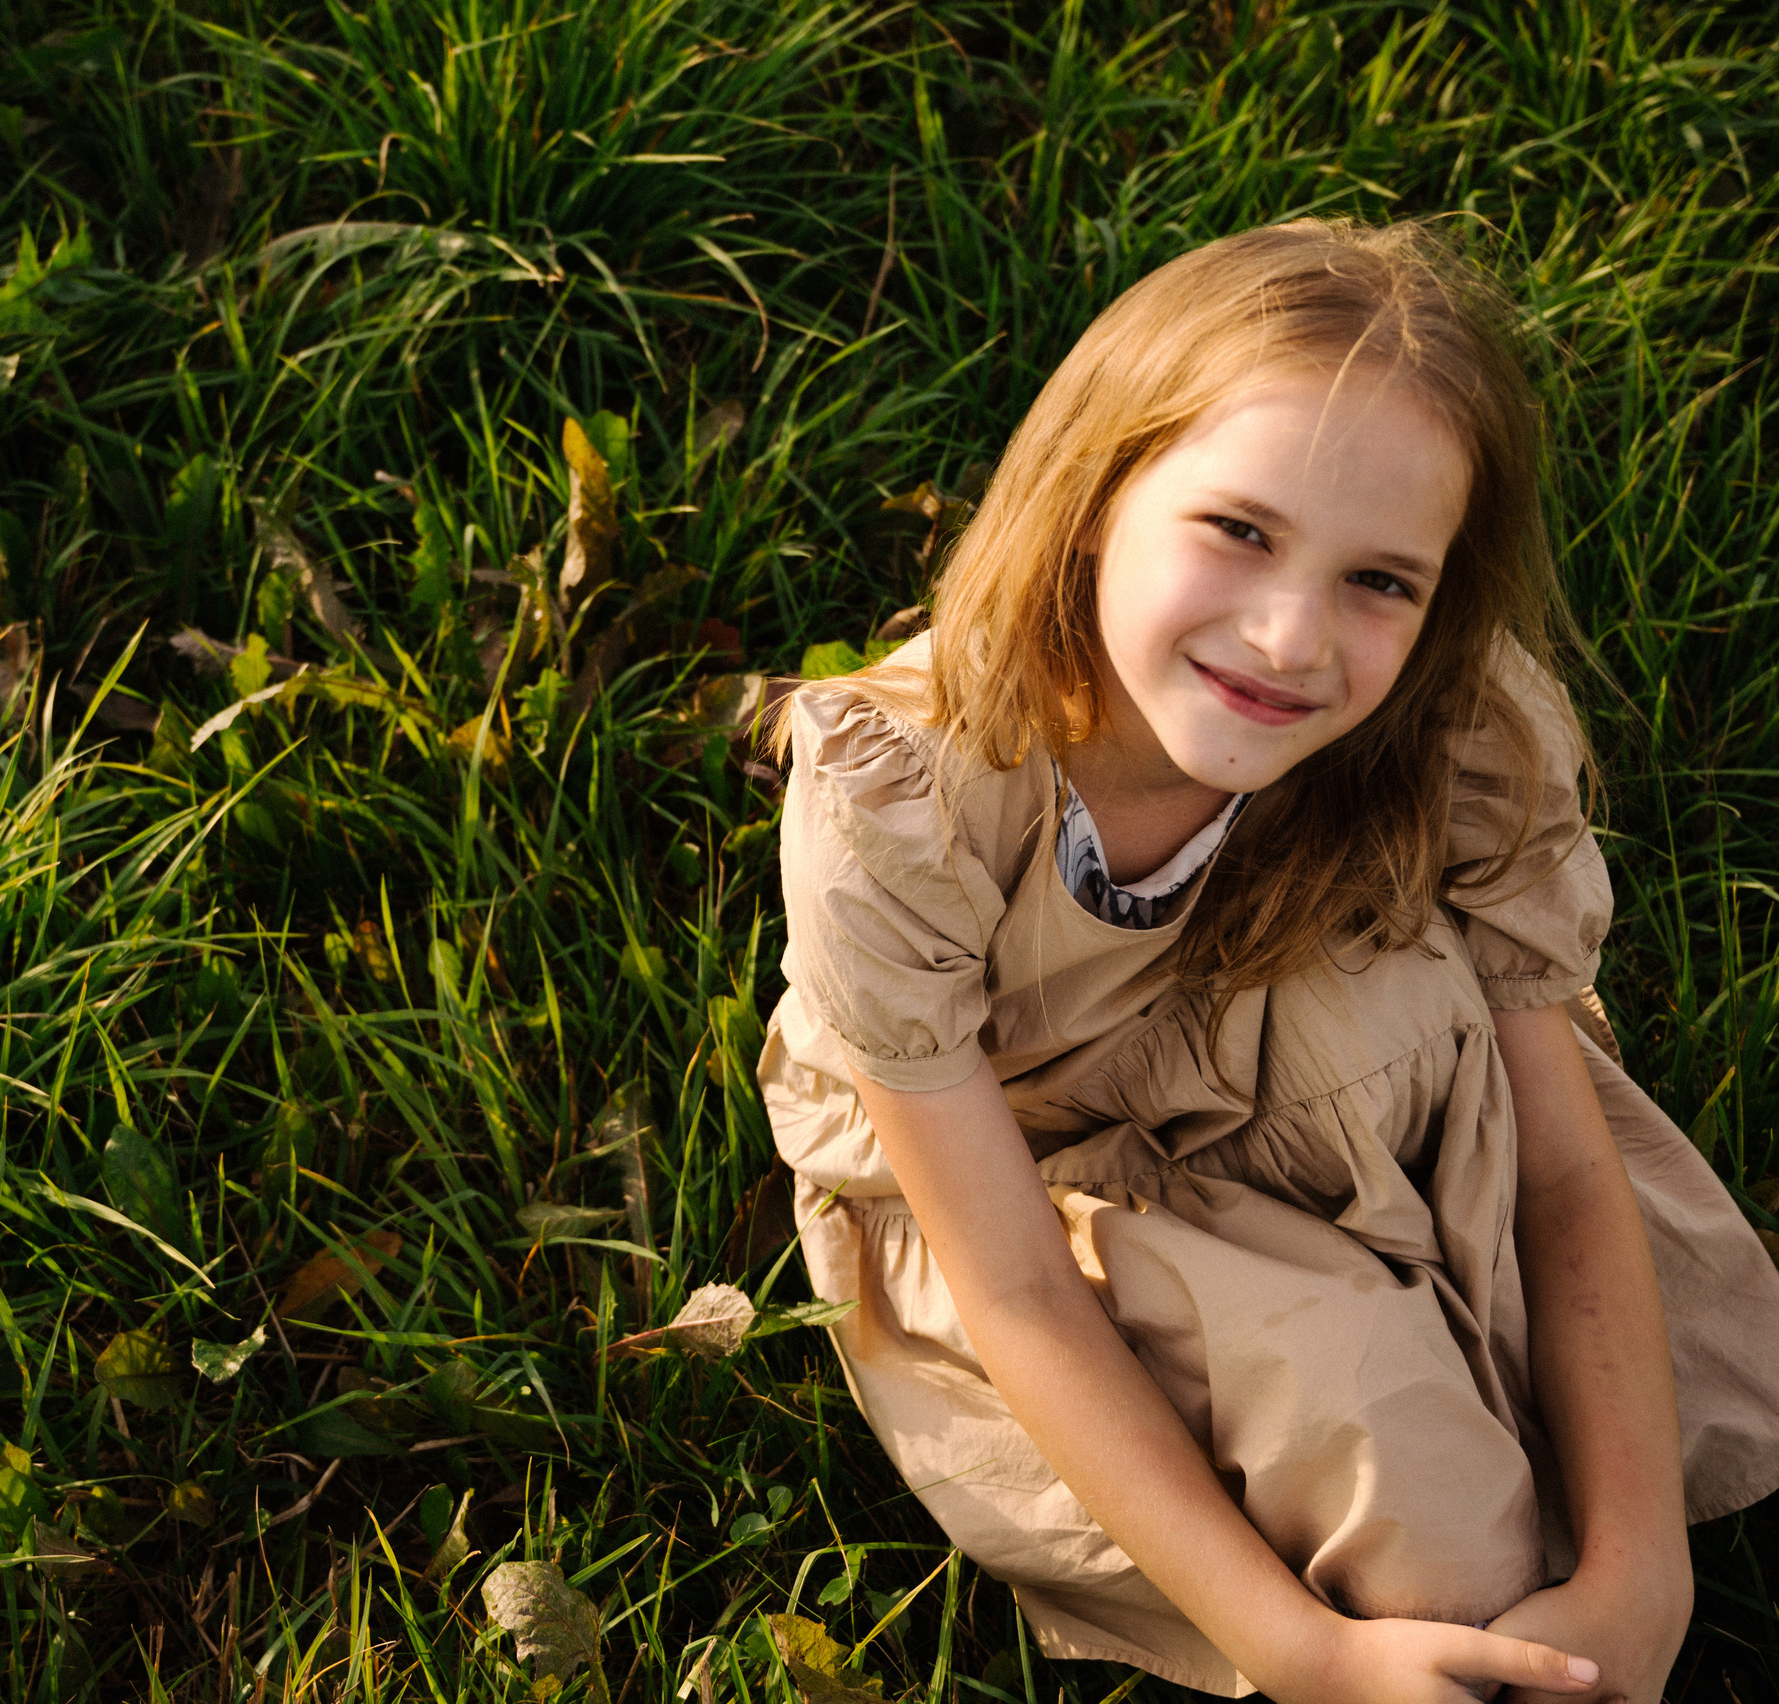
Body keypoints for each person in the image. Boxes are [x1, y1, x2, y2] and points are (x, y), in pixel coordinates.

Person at [756, 219, 1779, 1703]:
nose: (1291, 638)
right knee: (1454, 1567)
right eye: (1237, 530)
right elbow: (1024, 1290)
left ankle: (1447, 1348)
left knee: (1634, 1412)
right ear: (1096, 497)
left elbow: (1561, 1164)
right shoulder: (900, 797)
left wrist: (1643, 1563)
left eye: (1381, 581)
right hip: (1034, 1161)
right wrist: (1296, 1647)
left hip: (1309, 1037)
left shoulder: (1455, 734)